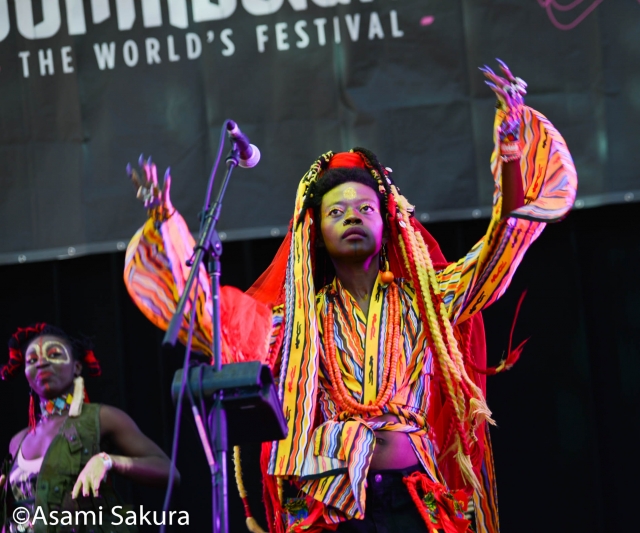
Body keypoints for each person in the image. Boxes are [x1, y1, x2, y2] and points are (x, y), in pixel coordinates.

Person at [123, 61, 577, 533]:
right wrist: (167, 224)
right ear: (317, 233)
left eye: (365, 208)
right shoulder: (298, 320)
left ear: (388, 223)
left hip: (414, 499)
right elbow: (214, 315)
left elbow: (497, 251)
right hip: (332, 504)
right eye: (336, 212)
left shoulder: (426, 299)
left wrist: (511, 150)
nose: (352, 217)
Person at [0, 323, 178, 533]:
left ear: (76, 367)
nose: (41, 363)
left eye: (54, 354)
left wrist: (108, 461)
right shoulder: (18, 441)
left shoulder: (102, 418)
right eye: (32, 360)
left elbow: (169, 472)